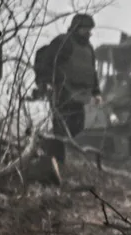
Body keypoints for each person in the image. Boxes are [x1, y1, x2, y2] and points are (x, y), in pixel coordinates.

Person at [37, 13, 100, 174]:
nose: (89, 33)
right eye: (86, 29)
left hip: (80, 96)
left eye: (90, 29)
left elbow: (92, 72)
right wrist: (46, 83)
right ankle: (56, 165)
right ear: (77, 28)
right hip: (63, 93)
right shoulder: (63, 42)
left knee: (77, 131)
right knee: (61, 132)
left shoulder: (89, 48)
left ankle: (69, 166)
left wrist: (96, 92)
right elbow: (47, 63)